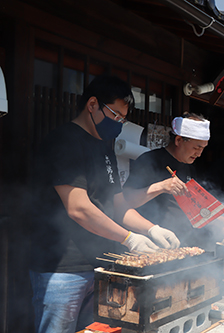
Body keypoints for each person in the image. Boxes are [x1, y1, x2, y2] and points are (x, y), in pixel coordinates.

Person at [29, 75, 180, 333]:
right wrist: (130, 239)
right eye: (116, 115)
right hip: (63, 270)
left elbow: (118, 207)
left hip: (100, 266)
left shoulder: (105, 148)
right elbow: (78, 207)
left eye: (123, 118)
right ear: (92, 105)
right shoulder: (64, 141)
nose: (119, 123)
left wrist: (151, 229)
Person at [123, 113, 210, 246]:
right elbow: (126, 199)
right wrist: (161, 187)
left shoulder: (189, 166)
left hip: (182, 243)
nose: (199, 154)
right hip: (153, 243)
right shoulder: (149, 160)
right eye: (196, 148)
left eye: (203, 148)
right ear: (178, 140)